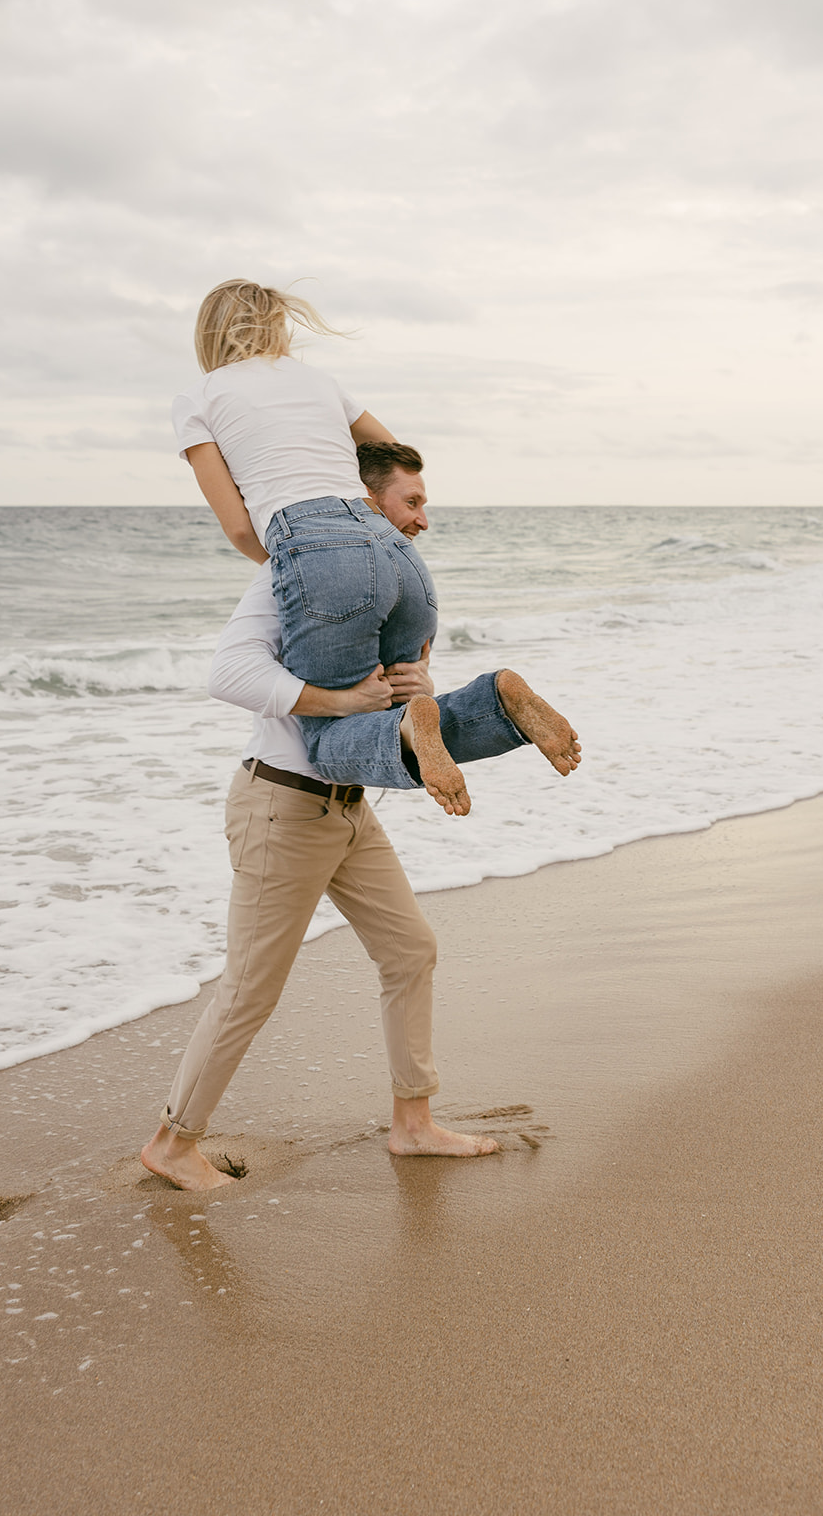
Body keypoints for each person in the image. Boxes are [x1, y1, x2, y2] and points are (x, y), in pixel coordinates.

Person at [139, 446, 532, 1191]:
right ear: (364, 502)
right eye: (411, 503)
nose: (422, 520)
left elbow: (383, 697)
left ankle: (413, 1124)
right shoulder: (289, 575)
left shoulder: (391, 594)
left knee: (409, 949)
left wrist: (417, 685)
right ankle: (170, 1141)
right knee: (252, 987)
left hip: (348, 806)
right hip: (281, 805)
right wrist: (340, 702)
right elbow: (228, 674)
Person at [172, 279, 580, 814]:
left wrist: (307, 566)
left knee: (326, 739)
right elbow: (392, 452)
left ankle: (423, 720)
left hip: (312, 542)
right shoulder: (318, 381)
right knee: (394, 700)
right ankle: (494, 699)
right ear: (279, 325)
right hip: (392, 548)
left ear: (209, 334)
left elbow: (242, 530)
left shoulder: (198, 397)